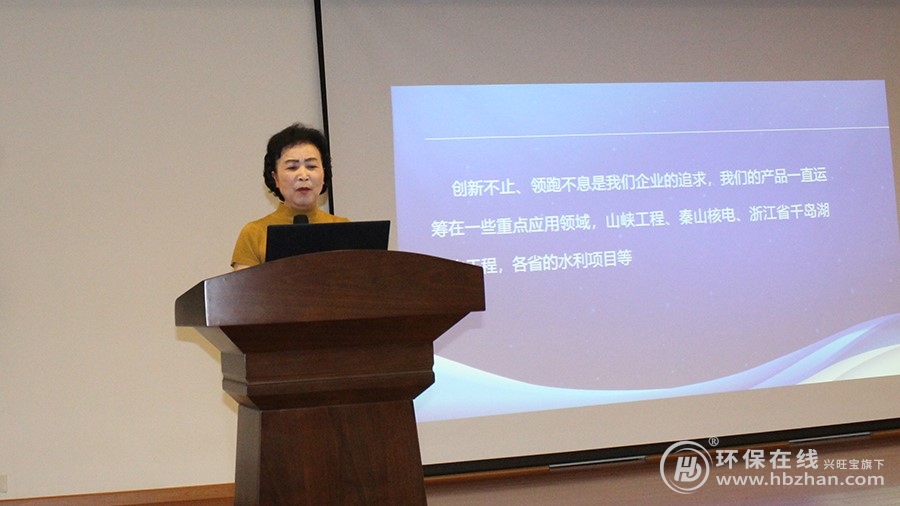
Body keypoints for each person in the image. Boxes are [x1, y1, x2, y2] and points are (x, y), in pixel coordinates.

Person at [231, 123, 349, 270]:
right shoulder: (254, 233)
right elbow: (243, 285)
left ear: (324, 174)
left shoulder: (343, 228)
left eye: (311, 166)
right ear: (275, 177)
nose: (303, 175)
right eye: (292, 167)